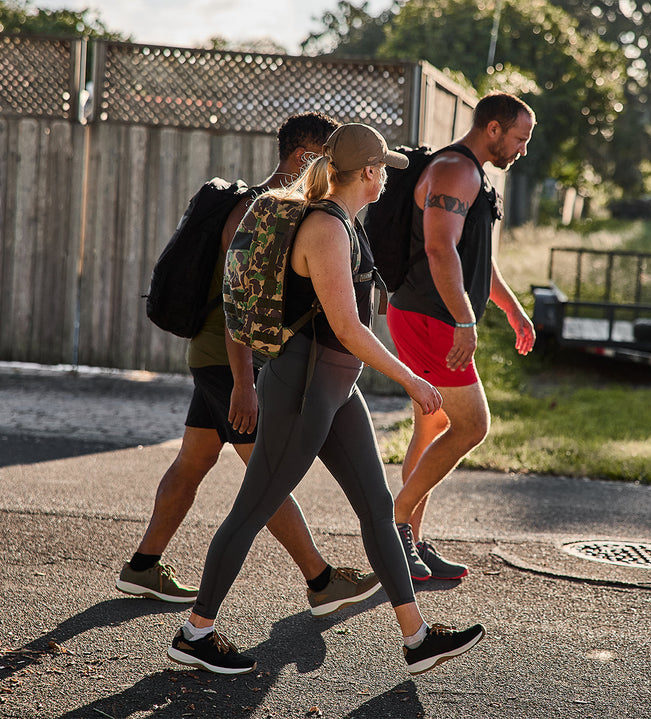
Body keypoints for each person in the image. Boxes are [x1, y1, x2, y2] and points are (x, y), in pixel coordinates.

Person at [166, 123, 486, 676]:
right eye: (382, 166)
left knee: (377, 512)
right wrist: (412, 379)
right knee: (253, 508)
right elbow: (349, 328)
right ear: (367, 173)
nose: (386, 175)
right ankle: (196, 631)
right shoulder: (325, 228)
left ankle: (416, 638)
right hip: (304, 390)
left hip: (337, 390)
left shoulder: (343, 222)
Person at [117, 112, 381, 618]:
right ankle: (320, 579)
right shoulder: (258, 210)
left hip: (223, 361)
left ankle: (143, 566)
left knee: (194, 460)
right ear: (307, 158)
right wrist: (244, 383)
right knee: (268, 474)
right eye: (328, 155)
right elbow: (238, 301)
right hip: (228, 362)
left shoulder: (291, 210)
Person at [386, 92, 537, 581]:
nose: (522, 149)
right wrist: (466, 321)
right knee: (472, 425)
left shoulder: (474, 174)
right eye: (520, 138)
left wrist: (514, 311)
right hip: (428, 316)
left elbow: (476, 258)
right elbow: (438, 247)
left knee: (431, 428)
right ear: (493, 128)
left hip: (429, 314)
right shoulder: (455, 170)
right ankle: (395, 530)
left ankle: (412, 541)